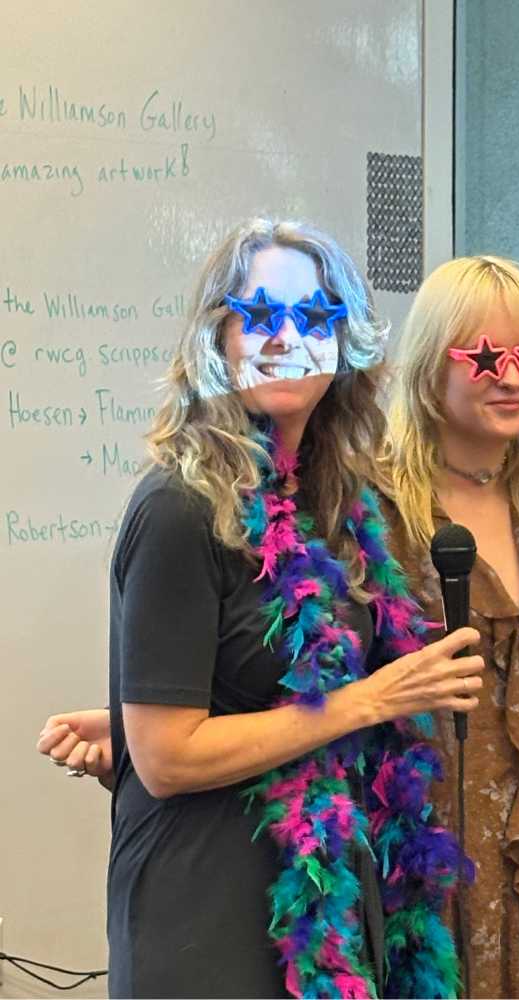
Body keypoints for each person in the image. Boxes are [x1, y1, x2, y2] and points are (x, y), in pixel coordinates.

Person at [39, 218, 485, 999]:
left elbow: (233, 688)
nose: (287, 337)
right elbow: (170, 760)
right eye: (261, 316)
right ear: (219, 338)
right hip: (206, 912)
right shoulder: (181, 506)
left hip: (328, 903)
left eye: (314, 318)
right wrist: (369, 700)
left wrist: (142, 715)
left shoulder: (332, 503)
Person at [380, 256, 519, 998]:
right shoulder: (374, 506)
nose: (513, 377)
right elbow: (301, 648)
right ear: (428, 369)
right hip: (430, 851)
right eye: (483, 356)